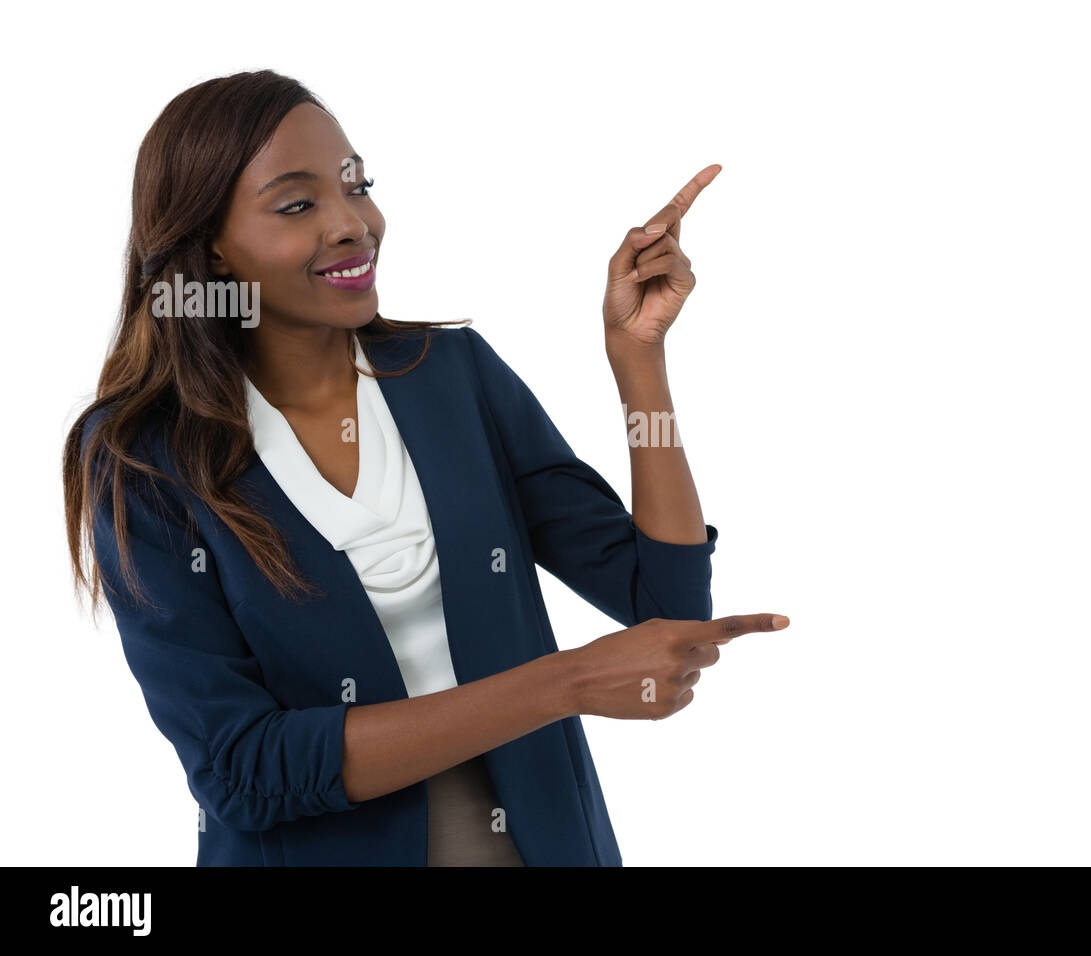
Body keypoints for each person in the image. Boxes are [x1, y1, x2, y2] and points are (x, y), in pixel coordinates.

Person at [63, 69, 789, 866]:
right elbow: (242, 770)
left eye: (357, 186)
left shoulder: (450, 375)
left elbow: (667, 602)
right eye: (298, 204)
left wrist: (639, 359)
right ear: (213, 249)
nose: (352, 224)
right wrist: (565, 683)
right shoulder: (144, 460)